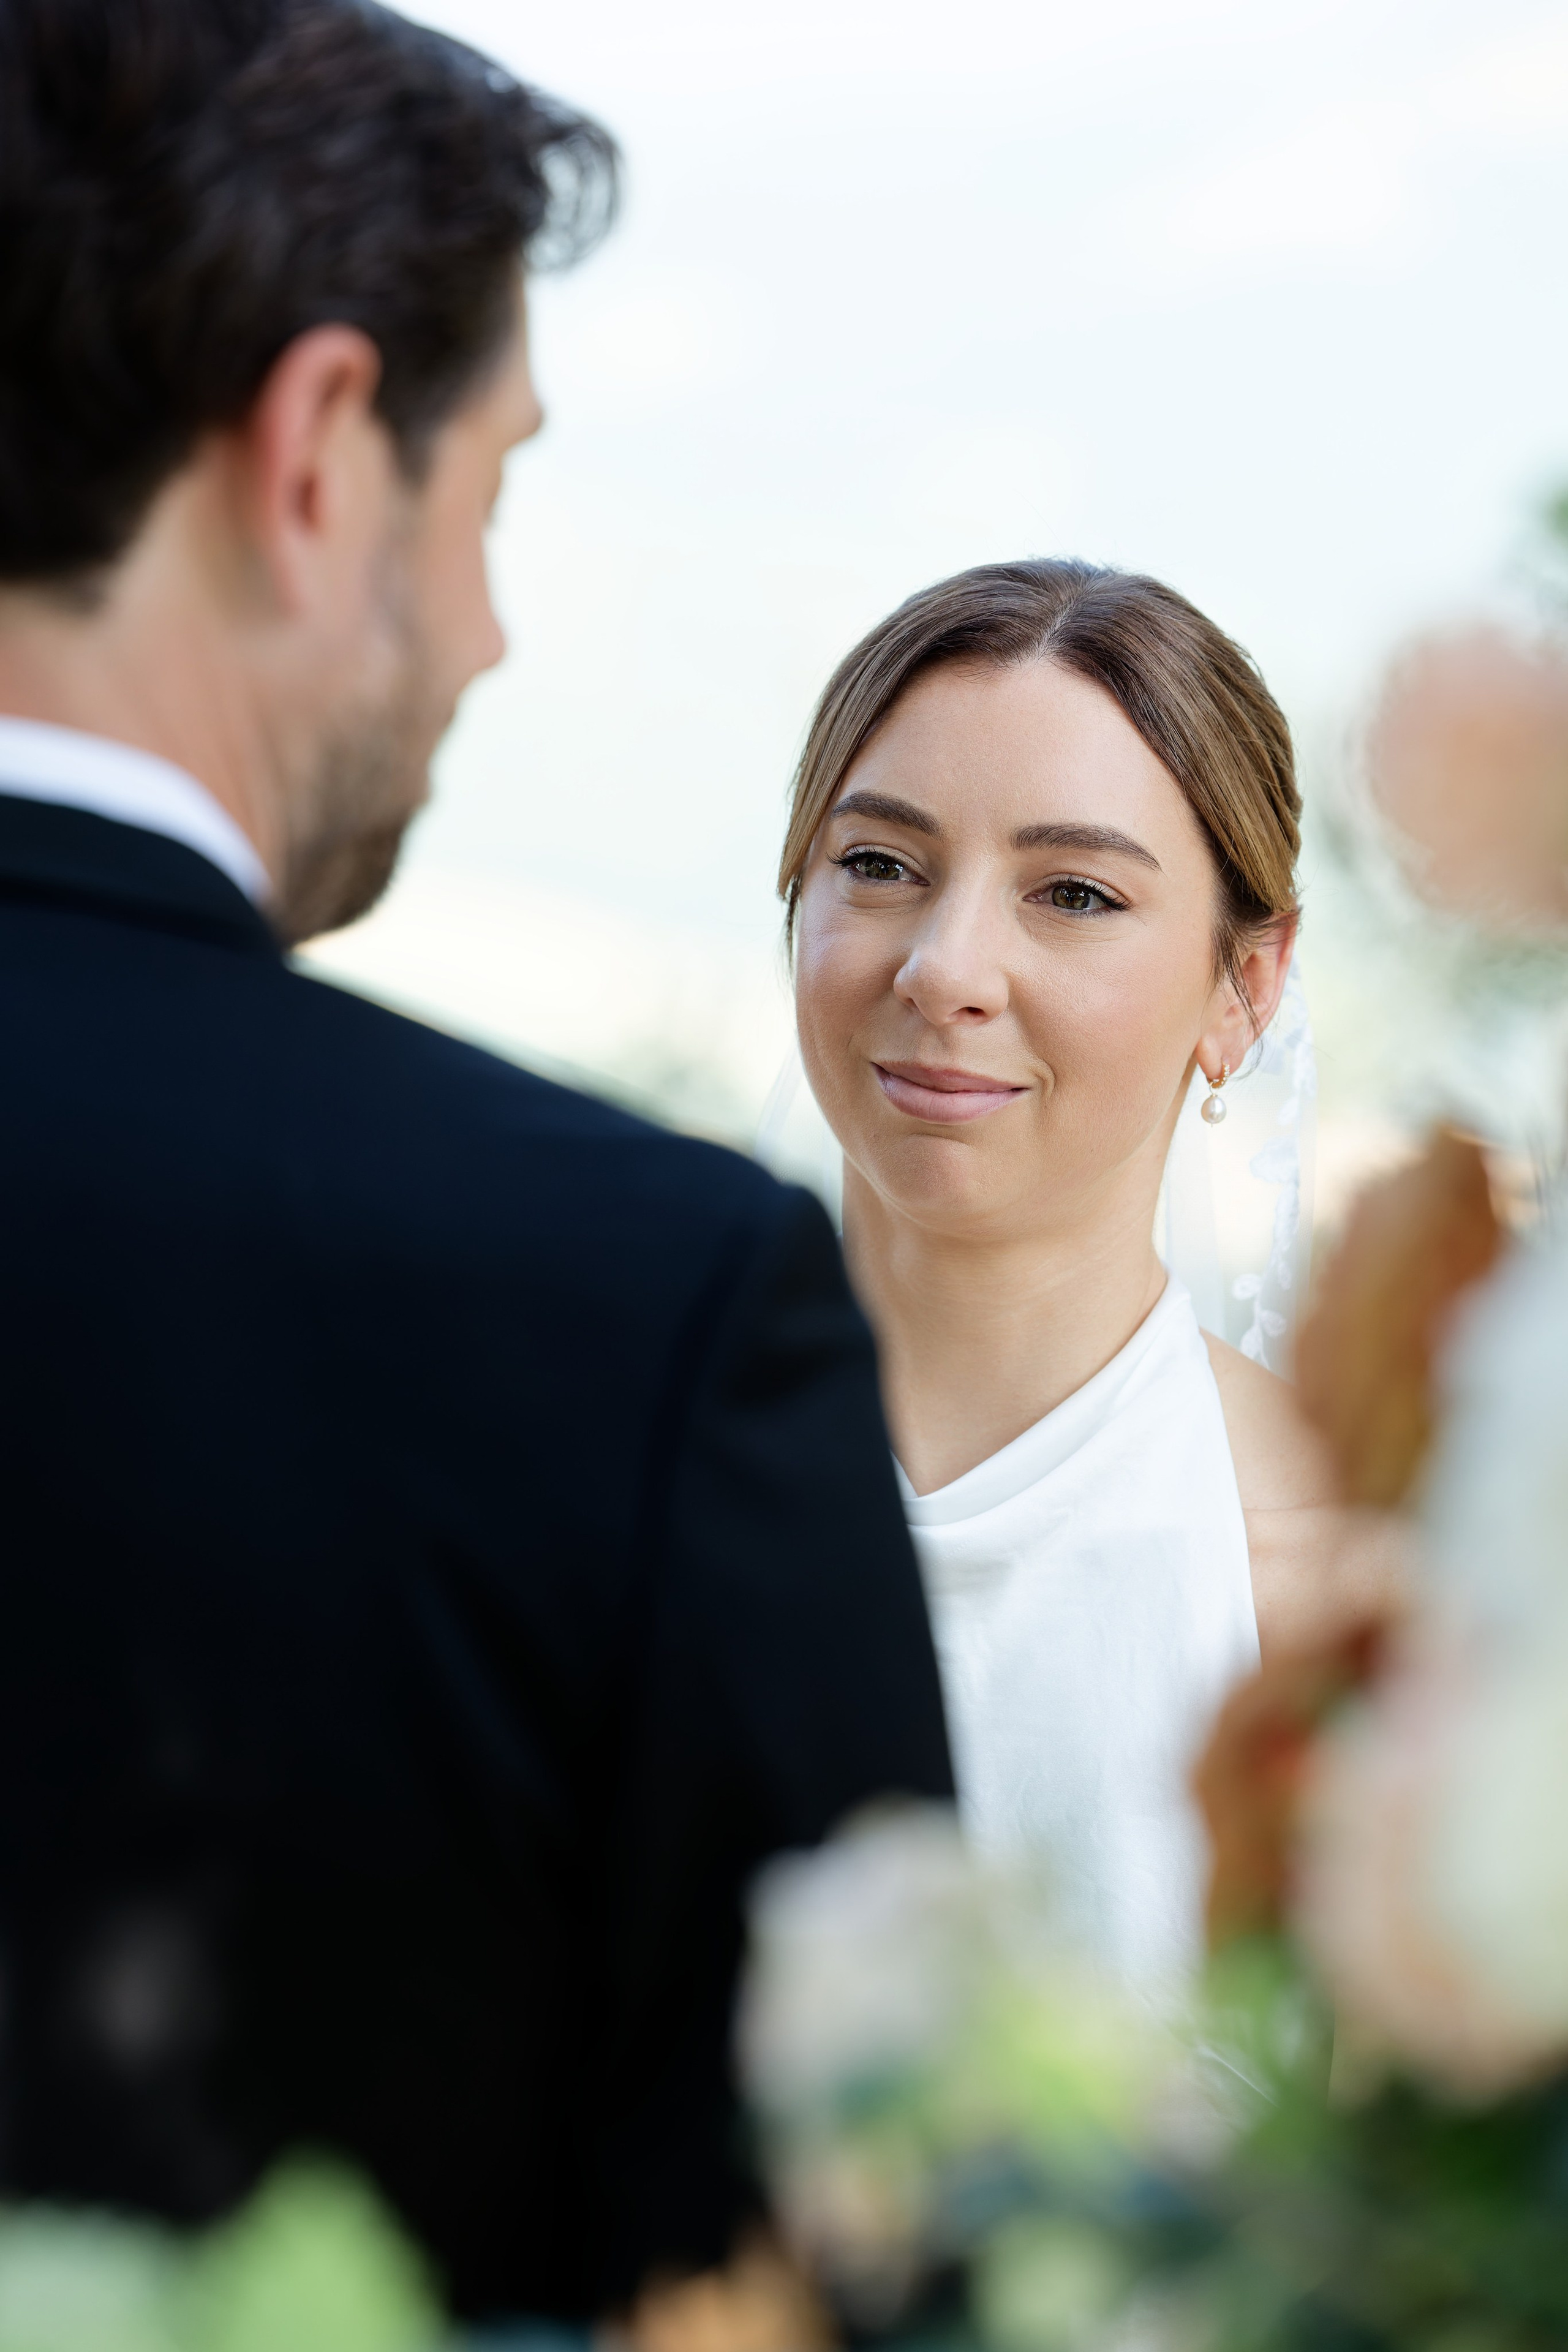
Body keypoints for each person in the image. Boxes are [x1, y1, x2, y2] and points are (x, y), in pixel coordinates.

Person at [0, 0, 952, 2335]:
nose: (497, 633)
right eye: (493, 491)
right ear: (323, 448)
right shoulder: (651, 1309)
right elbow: (859, 2274)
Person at [780, 559, 1401, 1986]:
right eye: (877, 864)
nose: (945, 970)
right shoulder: (593, 1455)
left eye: (1071, 892)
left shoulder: (1340, 1598)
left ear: (1244, 986)